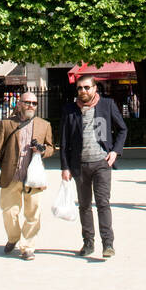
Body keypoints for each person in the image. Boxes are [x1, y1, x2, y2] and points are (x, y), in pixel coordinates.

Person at [60, 75, 127, 259]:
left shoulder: (106, 105)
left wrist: (115, 151)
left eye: (87, 87)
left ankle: (108, 244)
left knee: (103, 203)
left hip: (101, 163)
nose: (83, 91)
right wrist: (65, 167)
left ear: (95, 88)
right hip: (79, 164)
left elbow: (122, 129)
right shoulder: (70, 110)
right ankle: (88, 242)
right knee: (84, 205)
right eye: (80, 88)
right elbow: (64, 141)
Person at [0, 92, 55, 260]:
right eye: (27, 102)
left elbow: (51, 147)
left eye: (34, 103)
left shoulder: (44, 125)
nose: (31, 105)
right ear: (19, 104)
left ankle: (28, 247)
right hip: (12, 175)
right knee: (9, 212)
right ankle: (13, 237)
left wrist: (43, 150)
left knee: (33, 214)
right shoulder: (7, 124)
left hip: (33, 176)